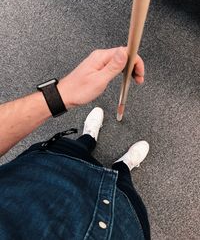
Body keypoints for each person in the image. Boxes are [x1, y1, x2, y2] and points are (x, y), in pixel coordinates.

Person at [0, 47, 150, 240]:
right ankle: (123, 166)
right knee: (123, 186)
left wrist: (61, 94)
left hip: (44, 173)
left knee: (76, 148)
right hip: (119, 222)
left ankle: (88, 138)